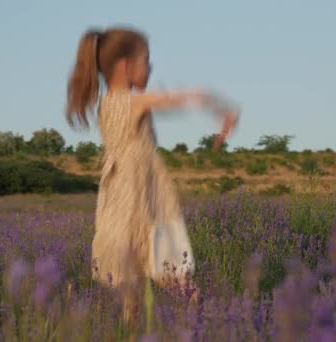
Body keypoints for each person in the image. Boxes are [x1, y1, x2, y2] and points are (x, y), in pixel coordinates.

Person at [65, 26, 239, 322]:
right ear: (125, 66)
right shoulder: (131, 102)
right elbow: (181, 97)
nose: (151, 68)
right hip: (143, 206)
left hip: (118, 206)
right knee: (177, 280)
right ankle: (211, 326)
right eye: (146, 60)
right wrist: (223, 109)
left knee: (128, 295)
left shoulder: (107, 104)